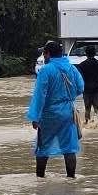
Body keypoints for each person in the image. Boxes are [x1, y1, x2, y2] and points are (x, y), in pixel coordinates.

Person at [26, 40, 84, 178]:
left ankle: (40, 179)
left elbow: (40, 95)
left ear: (48, 54)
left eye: (44, 54)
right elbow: (80, 87)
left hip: (49, 114)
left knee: (42, 148)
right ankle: (71, 178)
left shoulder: (45, 70)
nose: (44, 57)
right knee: (69, 148)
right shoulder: (71, 68)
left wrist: (35, 117)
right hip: (68, 112)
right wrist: (67, 99)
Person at [75, 45, 98, 122]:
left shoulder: (82, 65)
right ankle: (96, 124)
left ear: (86, 54)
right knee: (97, 109)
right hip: (97, 90)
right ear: (95, 53)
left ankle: (87, 123)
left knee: (87, 109)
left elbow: (77, 77)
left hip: (86, 90)